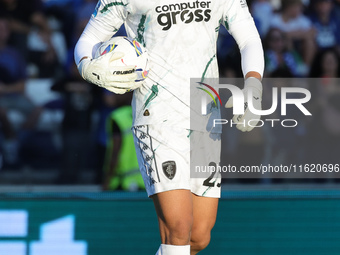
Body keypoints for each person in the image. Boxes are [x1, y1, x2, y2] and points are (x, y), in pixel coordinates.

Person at [74, 1, 264, 254]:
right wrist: (87, 67)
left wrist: (253, 84)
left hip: (205, 115)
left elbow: (249, 37)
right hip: (157, 114)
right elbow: (87, 41)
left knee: (199, 236)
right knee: (179, 227)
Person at [102, 92, 145, 191]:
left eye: (119, 92)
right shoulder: (143, 114)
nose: (115, 95)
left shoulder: (118, 116)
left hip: (124, 182)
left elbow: (115, 152)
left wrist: (107, 180)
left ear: (129, 94)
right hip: (146, 181)